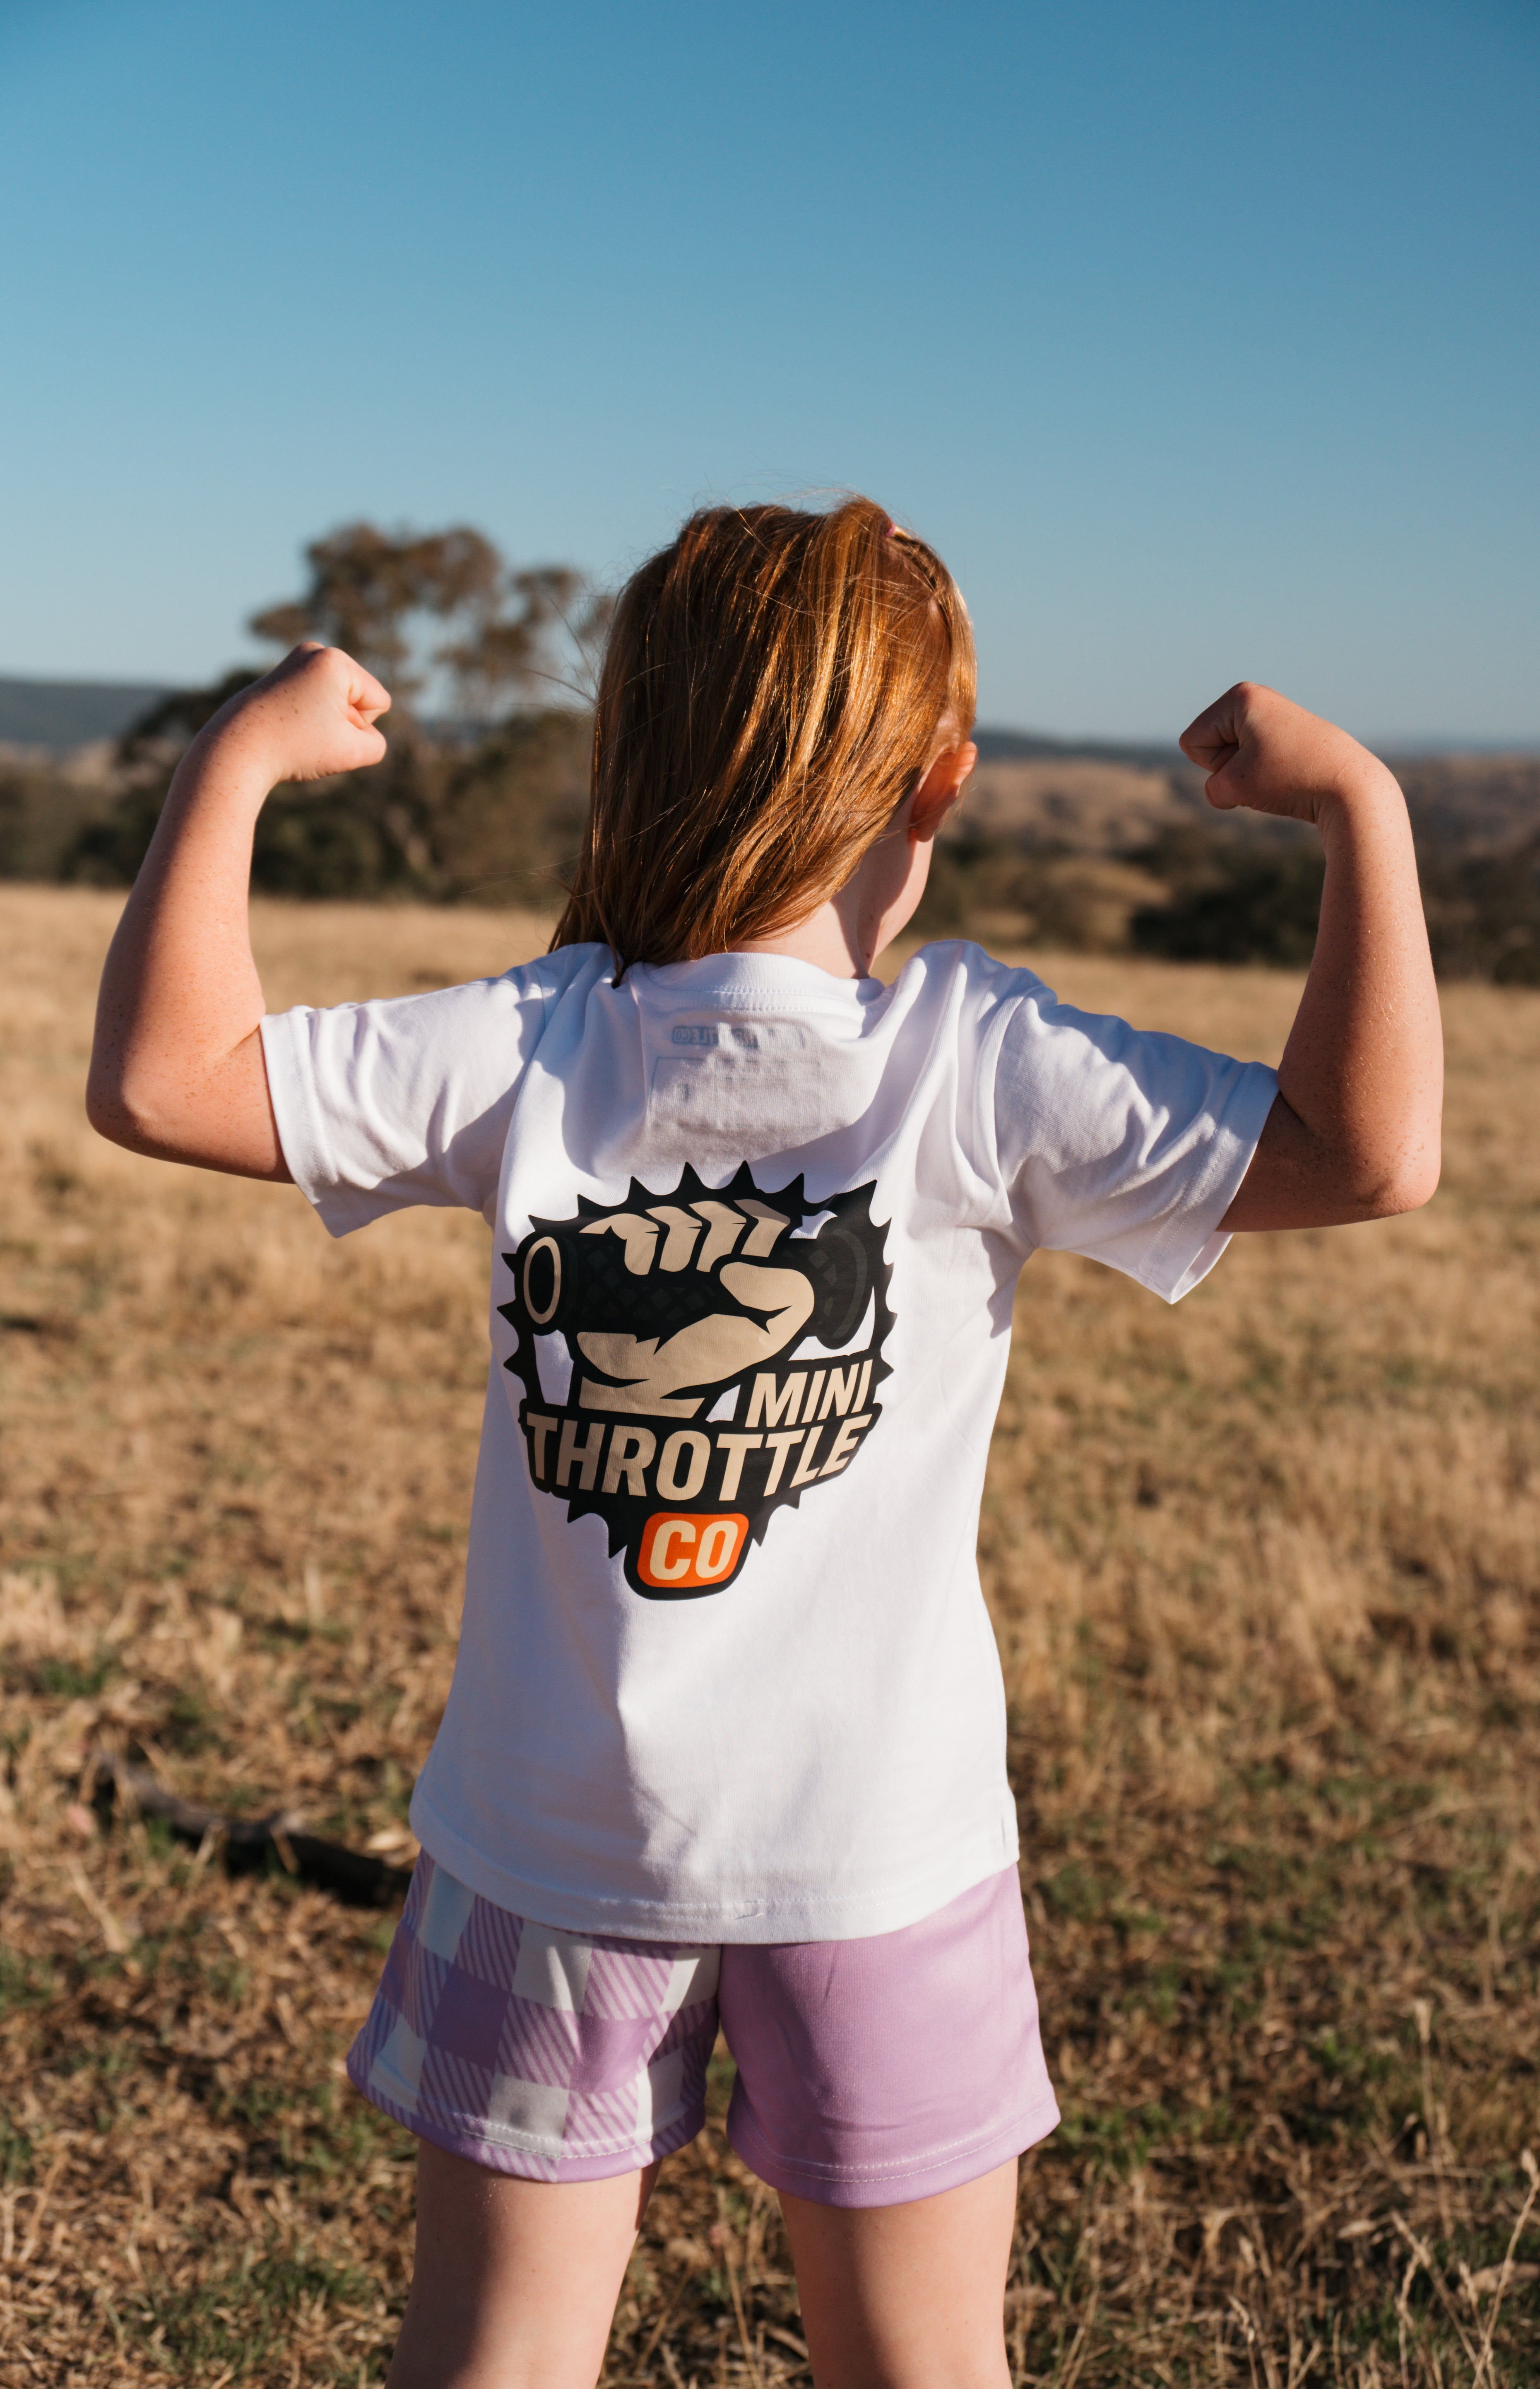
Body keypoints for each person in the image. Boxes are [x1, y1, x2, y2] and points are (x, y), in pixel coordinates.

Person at [86, 497, 1441, 2389]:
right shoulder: (975, 1059)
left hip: (546, 1848)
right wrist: (1362, 811)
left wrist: (236, 759)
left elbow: (162, 1082)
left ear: (630, 755)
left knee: (493, 2358)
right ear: (941, 779)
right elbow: (1367, 1155)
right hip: (882, 1861)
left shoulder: (538, 1042)